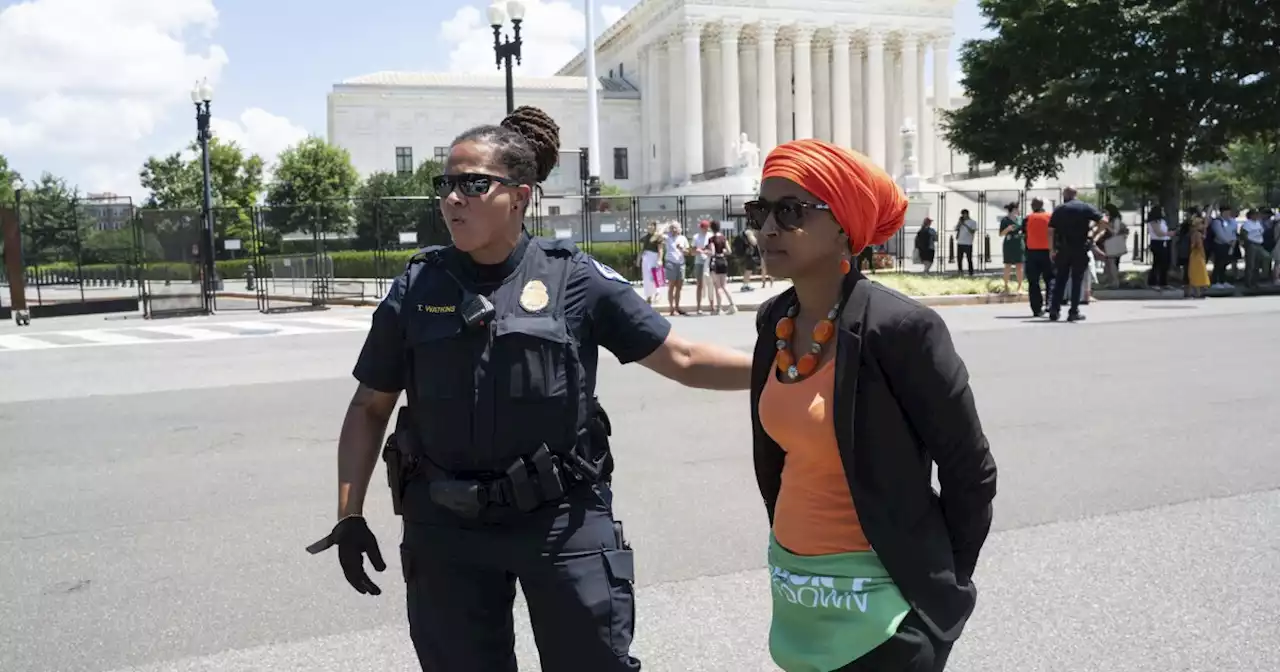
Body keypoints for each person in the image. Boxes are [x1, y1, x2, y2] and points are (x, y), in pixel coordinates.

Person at [306, 106, 753, 672]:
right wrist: (349, 513)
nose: (452, 198)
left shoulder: (574, 278)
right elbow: (369, 407)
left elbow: (683, 358)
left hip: (561, 521)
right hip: (447, 529)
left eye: (473, 184)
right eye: (445, 184)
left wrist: (783, 368)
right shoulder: (417, 287)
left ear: (518, 197)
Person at [745, 139, 998, 672]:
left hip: (885, 608)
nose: (768, 227)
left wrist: (941, 590)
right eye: (759, 210)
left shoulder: (902, 329)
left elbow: (969, 471)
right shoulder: (775, 320)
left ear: (843, 226)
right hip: (797, 596)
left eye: (790, 211)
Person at [1047, 186, 1104, 322]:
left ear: (1065, 195)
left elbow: (1050, 231)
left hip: (1063, 248)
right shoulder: (1085, 208)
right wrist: (1094, 235)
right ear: (1076, 194)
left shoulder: (1059, 209)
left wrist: (1051, 249)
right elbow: (1104, 222)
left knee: (1060, 279)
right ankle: (1073, 311)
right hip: (1080, 247)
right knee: (1077, 280)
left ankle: (1054, 310)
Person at [1021, 198, 1053, 316]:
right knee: (1050, 279)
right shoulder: (1050, 217)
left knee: (1033, 282)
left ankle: (1036, 309)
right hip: (1048, 252)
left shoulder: (1028, 218)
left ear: (1032, 206)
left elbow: (1024, 234)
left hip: (1032, 253)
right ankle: (1050, 304)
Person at [708, 220, 737, 314]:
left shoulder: (712, 239)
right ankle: (732, 305)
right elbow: (729, 251)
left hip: (715, 262)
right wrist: (723, 251)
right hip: (723, 261)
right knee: (724, 285)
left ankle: (719, 308)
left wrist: (706, 252)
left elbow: (712, 252)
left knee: (718, 286)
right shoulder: (723, 238)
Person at [663, 220, 690, 316]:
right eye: (672, 228)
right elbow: (657, 235)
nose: (674, 229)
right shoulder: (667, 238)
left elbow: (688, 252)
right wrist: (665, 227)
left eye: (675, 227)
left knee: (679, 286)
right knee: (671, 286)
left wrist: (682, 249)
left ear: (679, 228)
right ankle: (671, 308)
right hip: (671, 263)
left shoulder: (683, 238)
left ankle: (677, 306)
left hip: (681, 263)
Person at [637, 220, 665, 305]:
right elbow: (642, 249)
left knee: (654, 276)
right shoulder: (645, 237)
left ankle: (657, 292)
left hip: (654, 257)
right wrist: (638, 259)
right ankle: (648, 296)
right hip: (646, 257)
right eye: (648, 225)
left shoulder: (658, 237)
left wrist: (660, 259)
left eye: (651, 225)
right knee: (646, 278)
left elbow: (660, 249)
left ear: (654, 227)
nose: (649, 227)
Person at [999, 202, 1024, 294]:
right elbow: (1001, 234)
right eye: (1018, 208)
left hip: (1019, 243)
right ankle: (1006, 286)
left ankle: (1020, 286)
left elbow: (1024, 230)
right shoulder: (1005, 220)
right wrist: (1007, 229)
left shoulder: (1020, 219)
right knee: (1007, 266)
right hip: (1009, 243)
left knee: (1019, 265)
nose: (1019, 210)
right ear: (1014, 209)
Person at [1186, 215, 1210, 299]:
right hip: (1197, 255)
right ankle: (1197, 293)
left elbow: (1204, 237)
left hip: (1194, 255)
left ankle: (1196, 292)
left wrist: (1205, 230)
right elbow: (1198, 245)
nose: (1202, 226)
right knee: (1199, 273)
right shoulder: (1197, 234)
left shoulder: (1194, 233)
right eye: (1201, 224)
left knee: (1196, 274)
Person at [954, 210, 976, 276]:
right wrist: (959, 223)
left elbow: (972, 231)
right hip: (960, 242)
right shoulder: (960, 222)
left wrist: (965, 225)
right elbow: (956, 229)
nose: (964, 216)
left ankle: (971, 272)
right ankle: (960, 271)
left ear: (967, 214)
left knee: (969, 258)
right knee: (959, 258)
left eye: (965, 214)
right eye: (962, 214)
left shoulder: (973, 222)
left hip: (968, 243)